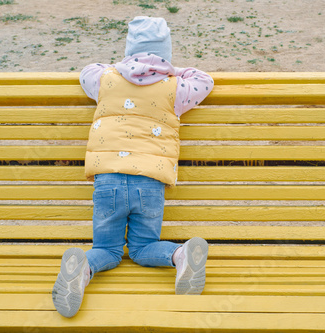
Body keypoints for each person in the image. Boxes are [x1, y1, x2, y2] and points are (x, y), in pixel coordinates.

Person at [51, 16, 214, 318]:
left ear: (128, 51)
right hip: (149, 183)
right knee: (142, 248)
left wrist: (121, 67)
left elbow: (87, 70)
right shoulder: (175, 87)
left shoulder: (106, 80)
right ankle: (179, 256)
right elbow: (205, 81)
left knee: (109, 250)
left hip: (108, 180)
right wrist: (172, 70)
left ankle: (84, 269)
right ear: (165, 53)